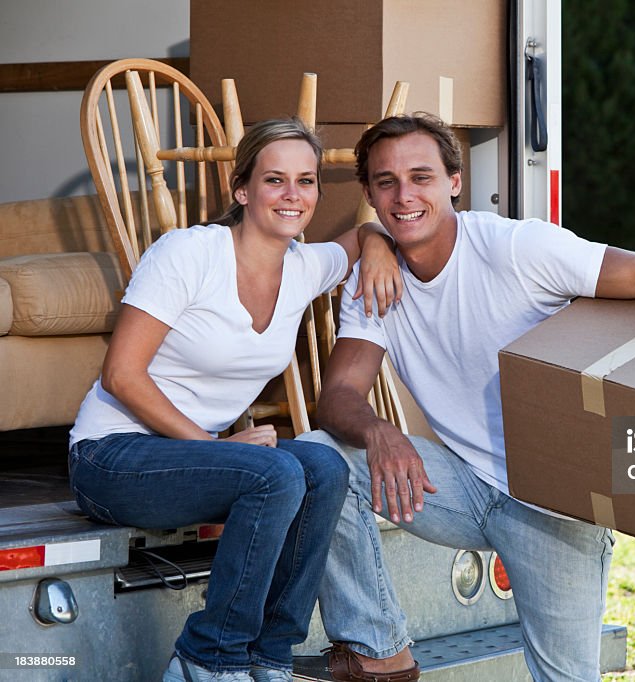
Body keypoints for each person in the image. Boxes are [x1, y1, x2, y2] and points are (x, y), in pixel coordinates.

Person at [300, 113, 635, 682]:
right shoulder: (377, 281)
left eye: (421, 177)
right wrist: (378, 432)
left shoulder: (518, 249)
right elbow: (337, 394)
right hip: (460, 486)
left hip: (552, 502)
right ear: (369, 194)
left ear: (454, 182)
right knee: (320, 458)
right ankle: (378, 652)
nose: (404, 195)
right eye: (386, 182)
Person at [67, 118, 402, 682]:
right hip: (114, 458)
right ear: (242, 189)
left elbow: (357, 240)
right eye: (276, 180)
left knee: (322, 464)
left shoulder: (303, 267)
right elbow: (123, 375)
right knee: (274, 472)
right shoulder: (189, 253)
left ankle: (267, 656)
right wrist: (217, 445)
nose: (293, 195)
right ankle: (209, 658)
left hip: (205, 465)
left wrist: (374, 242)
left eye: (308, 180)